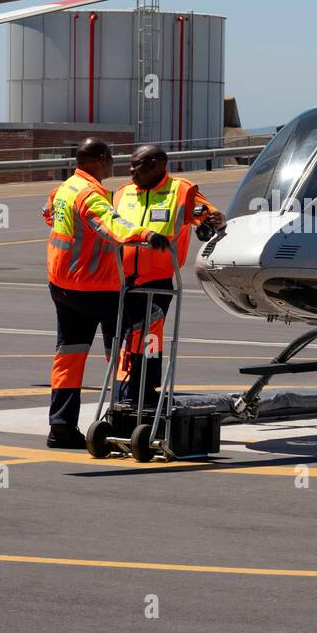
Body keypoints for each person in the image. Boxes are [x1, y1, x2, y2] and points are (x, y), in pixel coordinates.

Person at [42, 138, 167, 448]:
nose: (114, 163)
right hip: (96, 288)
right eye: (110, 157)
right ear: (97, 159)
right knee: (129, 342)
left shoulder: (64, 188)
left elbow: (48, 215)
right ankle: (122, 419)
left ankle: (61, 427)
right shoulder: (90, 194)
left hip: (62, 286)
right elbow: (110, 225)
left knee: (69, 353)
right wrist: (145, 234)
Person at [112, 145, 226, 407]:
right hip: (121, 281)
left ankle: (146, 391)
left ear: (155, 165)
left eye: (135, 165)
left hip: (157, 282)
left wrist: (213, 220)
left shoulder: (181, 190)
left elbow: (211, 217)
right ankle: (122, 392)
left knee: (149, 336)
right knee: (123, 339)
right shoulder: (122, 192)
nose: (130, 170)